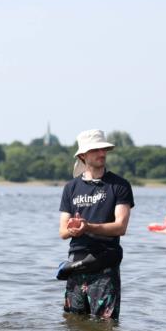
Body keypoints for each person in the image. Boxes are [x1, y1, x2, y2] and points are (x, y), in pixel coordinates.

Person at [58, 129, 134, 320]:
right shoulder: (71, 188)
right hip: (76, 264)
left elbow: (120, 227)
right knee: (73, 326)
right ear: (83, 155)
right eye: (96, 150)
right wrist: (73, 228)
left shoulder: (120, 185)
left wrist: (89, 226)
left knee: (106, 327)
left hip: (105, 264)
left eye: (104, 150)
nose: (102, 154)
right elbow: (62, 232)